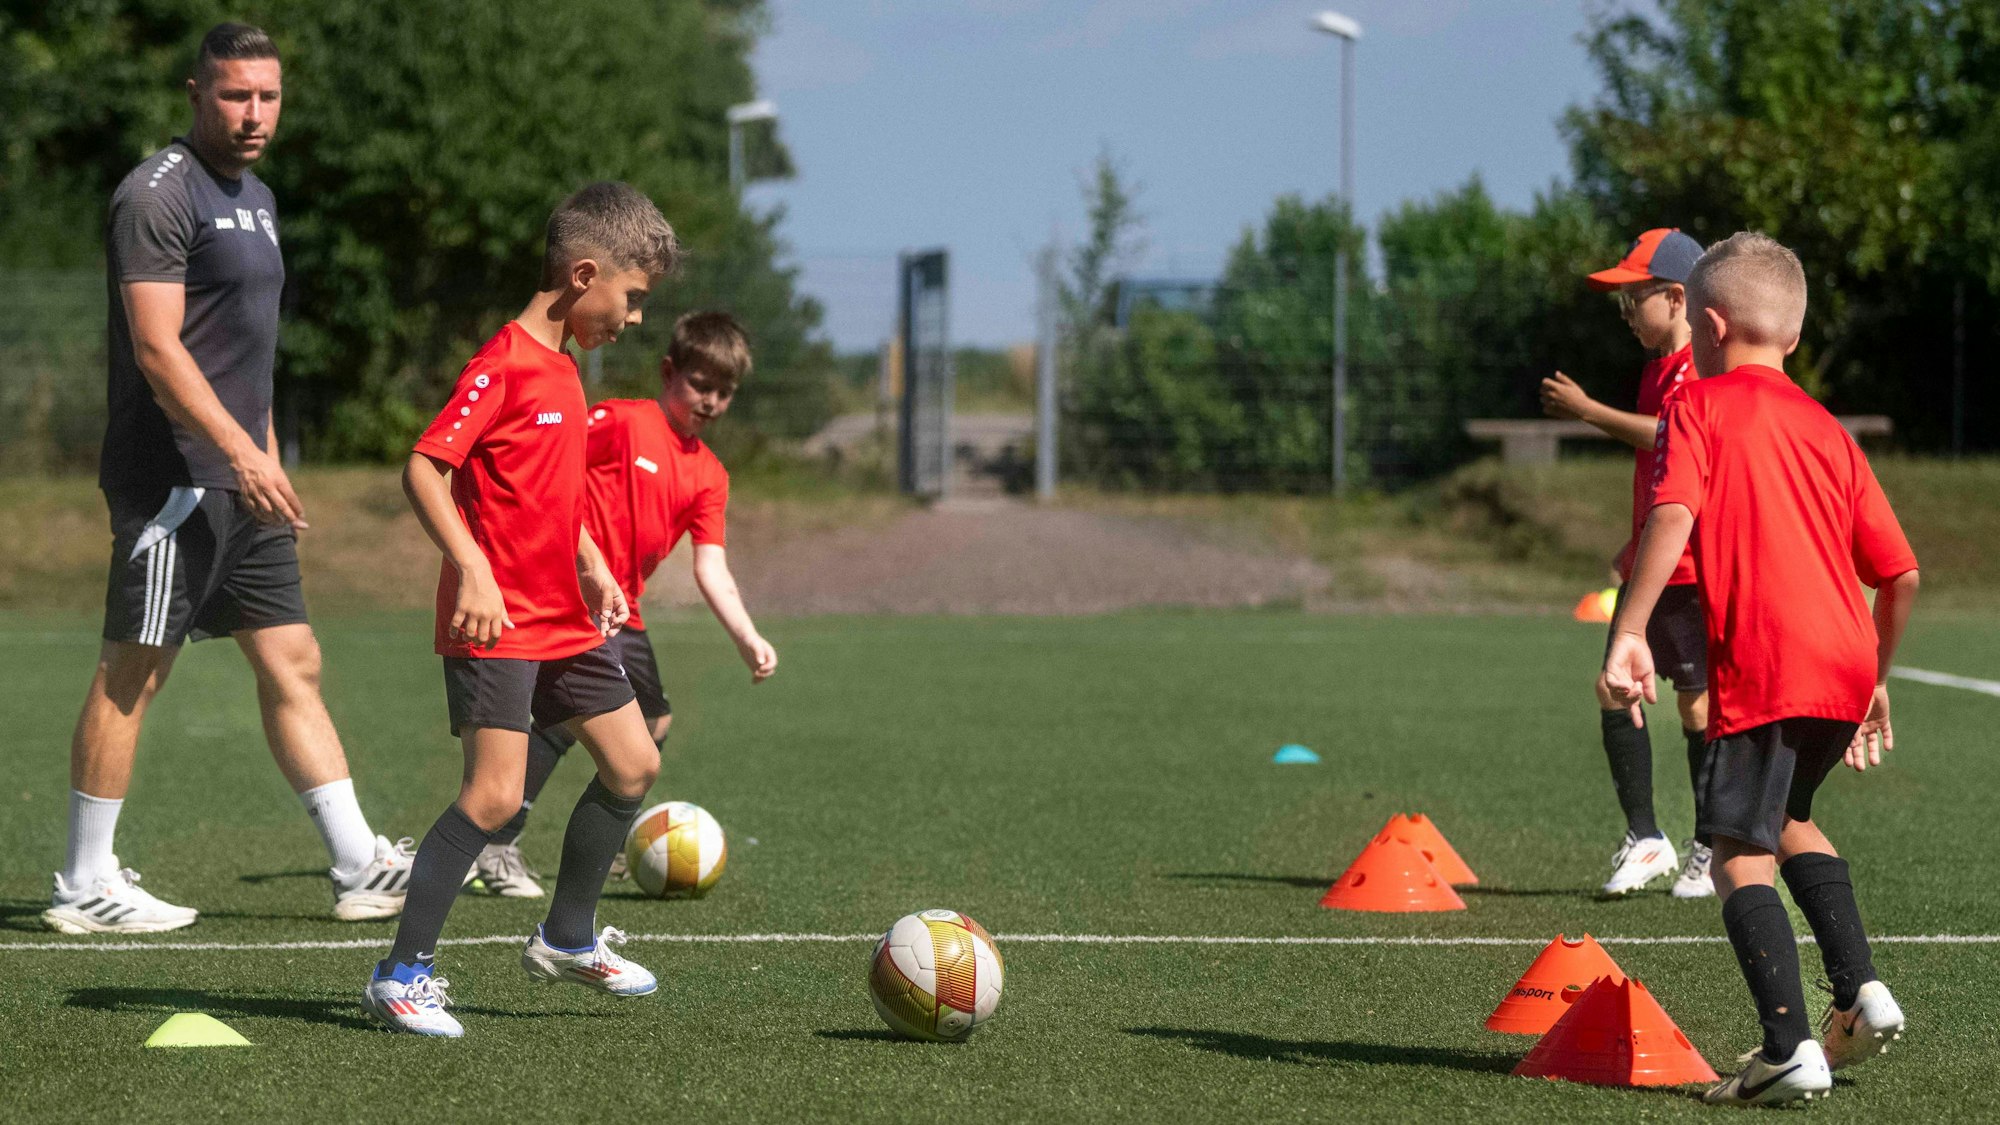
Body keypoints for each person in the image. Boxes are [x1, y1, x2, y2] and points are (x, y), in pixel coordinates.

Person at [48, 22, 410, 935]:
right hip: (175, 480)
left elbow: (251, 350)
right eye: (236, 95)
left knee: (293, 659)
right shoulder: (156, 194)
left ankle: (360, 862)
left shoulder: (260, 197)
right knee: (133, 670)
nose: (255, 113)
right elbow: (157, 348)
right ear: (196, 94)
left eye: (269, 96)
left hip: (246, 482)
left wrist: (266, 455)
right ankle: (84, 881)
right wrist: (240, 454)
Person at [1601, 232, 1919, 1106]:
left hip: (1768, 661)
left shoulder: (1695, 405)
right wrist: (1877, 676)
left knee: (1738, 852)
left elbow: (1672, 513)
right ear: (1794, 334)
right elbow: (1899, 572)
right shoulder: (1828, 427)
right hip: (1844, 663)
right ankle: (1861, 991)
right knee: (1788, 818)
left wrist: (1631, 627)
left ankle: (1786, 1048)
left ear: (1707, 325)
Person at [362, 182, 680, 1038]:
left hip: (564, 618)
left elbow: (553, 495)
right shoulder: (503, 362)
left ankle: (567, 936)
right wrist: (470, 566)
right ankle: (400, 974)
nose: (634, 319)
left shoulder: (568, 372)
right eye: (632, 297)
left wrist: (594, 566)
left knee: (633, 764)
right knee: (494, 797)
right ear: (584, 275)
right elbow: (424, 468)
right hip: (497, 622)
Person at [469, 312, 778, 898]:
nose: (710, 400)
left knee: (654, 720)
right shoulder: (624, 422)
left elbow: (710, 566)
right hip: (570, 589)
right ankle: (495, 844)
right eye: (700, 384)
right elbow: (551, 455)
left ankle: (607, 839)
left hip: (621, 611)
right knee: (574, 718)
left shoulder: (710, 476)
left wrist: (747, 636)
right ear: (668, 372)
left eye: (724, 391)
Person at [1542, 228, 1715, 899]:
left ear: (1676, 298)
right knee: (1614, 686)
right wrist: (1635, 543)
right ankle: (1646, 836)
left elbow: (1672, 437)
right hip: (1652, 562)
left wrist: (1589, 412)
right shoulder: (1655, 370)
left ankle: (1710, 845)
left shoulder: (1700, 367)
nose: (1625, 314)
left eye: (1632, 298)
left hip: (1693, 567)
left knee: (1697, 708)